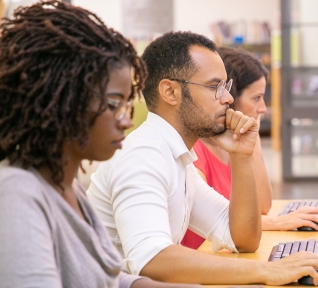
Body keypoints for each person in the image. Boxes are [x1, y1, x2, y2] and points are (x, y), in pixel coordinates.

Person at [86, 30, 318, 286]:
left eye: (226, 87)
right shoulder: (144, 155)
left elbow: (242, 237)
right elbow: (152, 261)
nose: (229, 99)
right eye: (215, 87)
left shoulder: (178, 158)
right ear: (170, 92)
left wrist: (241, 156)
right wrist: (267, 270)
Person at [0, 2, 197, 288]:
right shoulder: (18, 193)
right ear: (64, 100)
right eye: (113, 104)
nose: (125, 122)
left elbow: (104, 280)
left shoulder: (70, 186)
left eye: (127, 105)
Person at [181, 47, 318, 250]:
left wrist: (253, 139)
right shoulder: (195, 155)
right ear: (230, 100)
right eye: (256, 98)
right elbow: (220, 226)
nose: (262, 108)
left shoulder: (229, 149)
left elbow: (262, 206)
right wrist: (279, 222)